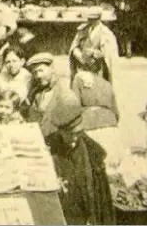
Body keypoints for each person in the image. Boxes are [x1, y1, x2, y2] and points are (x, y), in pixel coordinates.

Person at [44, 97, 115, 226]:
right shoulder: (50, 146)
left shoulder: (91, 152)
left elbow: (100, 195)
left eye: (79, 132)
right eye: (71, 134)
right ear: (61, 131)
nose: (75, 137)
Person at [24, 52, 80, 138]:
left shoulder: (63, 91)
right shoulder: (35, 93)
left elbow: (72, 117)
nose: (38, 76)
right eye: (35, 73)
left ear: (52, 69)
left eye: (41, 70)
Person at [68, 6, 118, 82]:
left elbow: (109, 55)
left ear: (99, 18)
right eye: (89, 19)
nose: (90, 21)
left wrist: (94, 53)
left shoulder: (106, 33)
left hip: (97, 70)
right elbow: (74, 46)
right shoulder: (83, 30)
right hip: (82, 68)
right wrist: (78, 55)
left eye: (93, 19)